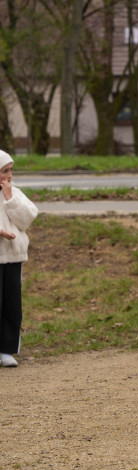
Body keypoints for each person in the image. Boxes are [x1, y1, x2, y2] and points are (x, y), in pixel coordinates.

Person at [0, 150, 38, 368]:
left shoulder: (16, 193)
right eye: (5, 171)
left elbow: (26, 219)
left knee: (12, 304)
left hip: (13, 257)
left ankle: (7, 349)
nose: (9, 176)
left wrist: (10, 199)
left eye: (11, 170)